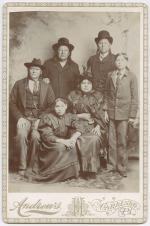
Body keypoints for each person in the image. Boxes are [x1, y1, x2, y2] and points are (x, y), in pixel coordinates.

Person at [10, 58, 55, 176]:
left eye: (37, 69)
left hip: (39, 120)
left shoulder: (46, 86)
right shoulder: (19, 84)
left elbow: (52, 105)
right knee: (21, 135)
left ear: (41, 72)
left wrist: (41, 119)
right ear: (28, 70)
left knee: (35, 136)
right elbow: (11, 103)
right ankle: (22, 167)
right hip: (24, 118)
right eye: (32, 69)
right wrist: (19, 117)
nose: (34, 71)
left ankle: (32, 166)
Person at [25, 98, 82, 182]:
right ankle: (52, 174)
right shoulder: (48, 117)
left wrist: (73, 139)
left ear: (66, 106)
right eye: (57, 106)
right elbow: (47, 136)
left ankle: (68, 174)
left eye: (62, 106)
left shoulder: (70, 116)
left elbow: (80, 127)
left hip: (63, 141)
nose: (59, 109)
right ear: (54, 108)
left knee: (71, 146)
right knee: (61, 147)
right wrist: (64, 141)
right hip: (49, 144)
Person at [104, 53, 138, 177]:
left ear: (126, 62)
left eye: (122, 60)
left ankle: (121, 167)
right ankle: (111, 166)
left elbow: (135, 97)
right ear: (115, 62)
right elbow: (107, 93)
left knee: (122, 141)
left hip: (124, 114)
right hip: (112, 113)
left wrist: (132, 115)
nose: (119, 62)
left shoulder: (131, 77)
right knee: (111, 141)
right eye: (117, 60)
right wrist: (106, 111)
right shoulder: (110, 75)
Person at [68, 71, 107, 179]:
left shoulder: (98, 96)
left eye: (88, 83)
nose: (86, 85)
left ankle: (90, 170)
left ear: (92, 85)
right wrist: (80, 116)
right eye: (83, 83)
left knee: (93, 139)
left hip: (94, 125)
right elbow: (66, 113)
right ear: (79, 84)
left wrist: (99, 126)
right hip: (76, 124)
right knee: (78, 138)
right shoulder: (72, 95)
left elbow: (102, 113)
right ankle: (78, 169)